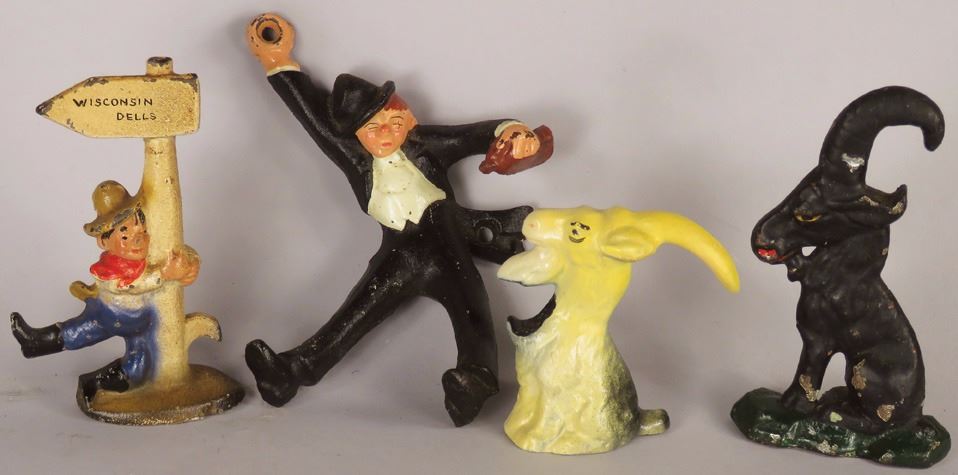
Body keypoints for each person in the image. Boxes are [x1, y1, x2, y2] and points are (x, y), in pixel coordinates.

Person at [244, 13, 547, 426]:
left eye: (395, 122)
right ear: (357, 136)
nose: (386, 134)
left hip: (446, 244)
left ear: (409, 118)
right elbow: (312, 117)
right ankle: (290, 372)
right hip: (399, 254)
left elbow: (478, 134)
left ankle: (474, 381)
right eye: (373, 129)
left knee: (473, 311)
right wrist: (277, 59)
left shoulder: (427, 144)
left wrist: (514, 133)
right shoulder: (355, 158)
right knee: (355, 313)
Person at [10, 180, 199, 398]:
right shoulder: (111, 269)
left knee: (139, 365)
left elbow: (173, 252)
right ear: (103, 241)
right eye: (125, 235)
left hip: (141, 325)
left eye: (143, 231)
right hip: (109, 315)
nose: (137, 239)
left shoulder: (148, 256)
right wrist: (164, 274)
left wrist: (190, 264)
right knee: (76, 333)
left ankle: (95, 383)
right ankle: (34, 342)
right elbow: (133, 285)